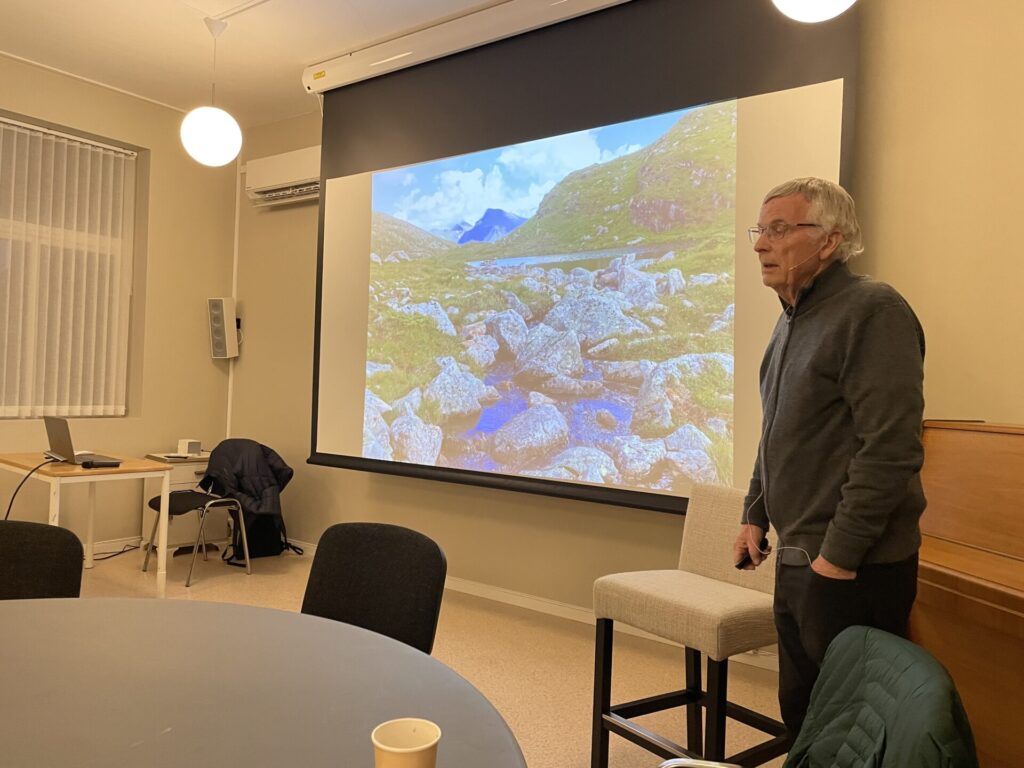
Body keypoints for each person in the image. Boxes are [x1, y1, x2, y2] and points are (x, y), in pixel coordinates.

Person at [734, 177, 926, 737]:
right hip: (799, 559)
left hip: (853, 568)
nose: (761, 244)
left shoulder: (873, 310)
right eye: (759, 230)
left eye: (779, 229)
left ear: (829, 240)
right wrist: (754, 512)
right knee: (803, 716)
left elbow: (890, 448)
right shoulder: (790, 318)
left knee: (850, 729)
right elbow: (778, 430)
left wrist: (838, 558)